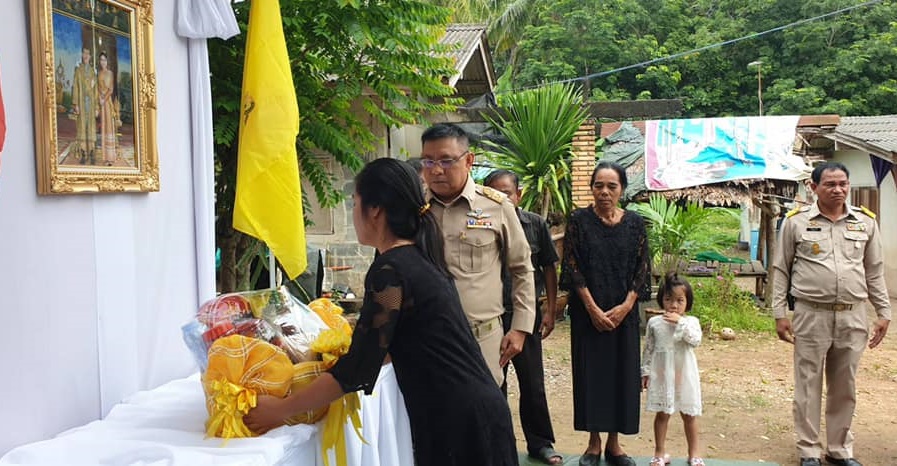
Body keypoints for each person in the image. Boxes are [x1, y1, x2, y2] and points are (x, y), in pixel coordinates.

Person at [244, 158, 519, 465]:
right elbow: (388, 346)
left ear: (374, 210)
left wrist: (280, 410)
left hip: (460, 420)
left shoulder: (390, 270)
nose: (354, 211)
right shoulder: (416, 257)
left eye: (355, 202)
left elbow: (358, 369)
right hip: (468, 410)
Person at [771, 161, 891, 466]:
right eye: (830, 184)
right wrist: (779, 313)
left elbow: (874, 272)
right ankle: (809, 450)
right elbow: (780, 269)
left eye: (843, 184)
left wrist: (883, 312)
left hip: (853, 315)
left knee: (844, 386)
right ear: (813, 187)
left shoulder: (865, 222)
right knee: (808, 384)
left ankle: (839, 450)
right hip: (811, 314)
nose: (838, 189)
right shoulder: (796, 222)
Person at [419, 123, 536, 386]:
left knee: (481, 416)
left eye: (447, 160)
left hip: (481, 338)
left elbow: (521, 267)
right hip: (426, 337)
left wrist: (520, 327)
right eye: (428, 161)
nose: (436, 170)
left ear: (469, 160)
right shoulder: (414, 209)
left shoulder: (496, 207)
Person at [560, 161, 651, 466]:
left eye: (611, 186)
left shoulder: (635, 224)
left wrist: (626, 307)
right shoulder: (579, 221)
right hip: (589, 316)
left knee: (621, 377)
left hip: (623, 317)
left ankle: (614, 444)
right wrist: (592, 309)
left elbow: (642, 270)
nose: (604, 192)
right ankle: (593, 443)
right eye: (599, 185)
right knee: (592, 376)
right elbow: (572, 267)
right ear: (592, 188)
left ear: (622, 189)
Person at [484, 169, 562, 465]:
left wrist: (551, 310)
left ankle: (540, 443)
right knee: (493, 383)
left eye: (507, 192)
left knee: (532, 383)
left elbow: (549, 268)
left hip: (525, 314)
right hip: (489, 315)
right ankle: (499, 443)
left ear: (519, 195)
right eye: (494, 192)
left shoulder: (535, 224)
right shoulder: (479, 223)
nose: (501, 197)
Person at [642, 273, 704, 466]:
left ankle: (693, 453)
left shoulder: (691, 322)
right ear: (661, 300)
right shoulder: (654, 323)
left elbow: (695, 340)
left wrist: (680, 322)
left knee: (689, 415)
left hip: (685, 376)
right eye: (668, 299)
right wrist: (644, 372)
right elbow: (649, 349)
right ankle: (660, 453)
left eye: (680, 300)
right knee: (662, 414)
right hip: (662, 376)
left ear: (688, 302)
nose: (674, 305)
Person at [71, 47, 98, 165]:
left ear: (90, 56)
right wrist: (76, 103)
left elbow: (95, 91)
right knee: (82, 128)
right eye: (84, 53)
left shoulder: (93, 72)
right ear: (82, 54)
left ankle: (91, 154)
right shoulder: (78, 70)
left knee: (91, 128)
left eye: (88, 53)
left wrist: (97, 107)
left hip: (91, 104)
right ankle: (83, 154)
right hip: (82, 104)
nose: (86, 55)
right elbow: (75, 87)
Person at [97, 52, 117, 166]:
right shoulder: (99, 73)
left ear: (107, 61)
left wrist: (104, 99)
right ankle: (105, 157)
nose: (102, 62)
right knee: (103, 127)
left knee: (109, 127)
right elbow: (99, 88)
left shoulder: (110, 73)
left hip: (107, 103)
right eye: (101, 60)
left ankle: (110, 158)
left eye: (104, 60)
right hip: (101, 102)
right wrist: (99, 97)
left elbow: (111, 89)